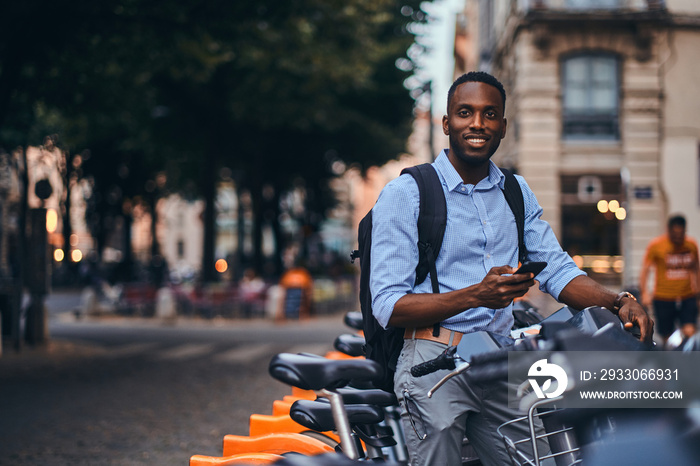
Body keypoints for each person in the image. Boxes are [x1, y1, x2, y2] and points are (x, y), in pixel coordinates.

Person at [369, 71, 653, 466]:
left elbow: (556, 269)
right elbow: (387, 304)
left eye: (489, 114)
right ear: (447, 122)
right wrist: (476, 295)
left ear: (503, 125)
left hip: (501, 360)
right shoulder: (407, 193)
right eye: (465, 113)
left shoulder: (515, 192)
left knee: (538, 460)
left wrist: (617, 300)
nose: (477, 124)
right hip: (431, 362)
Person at [639, 214, 700, 347]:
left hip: (687, 295)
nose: (678, 237)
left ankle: (690, 361)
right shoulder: (657, 245)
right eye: (675, 233)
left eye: (681, 233)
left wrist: (698, 294)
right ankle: (672, 362)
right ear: (669, 230)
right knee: (668, 336)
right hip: (663, 297)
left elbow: (696, 269)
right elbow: (645, 270)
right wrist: (644, 293)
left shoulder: (691, 245)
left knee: (690, 330)